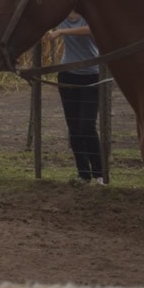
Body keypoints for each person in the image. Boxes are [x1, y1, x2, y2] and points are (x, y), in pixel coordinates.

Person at [47, 10, 104, 185]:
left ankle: (100, 174)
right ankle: (83, 174)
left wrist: (62, 32)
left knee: (86, 125)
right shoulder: (61, 16)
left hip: (91, 76)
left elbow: (93, 29)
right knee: (74, 126)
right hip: (68, 75)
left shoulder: (89, 16)